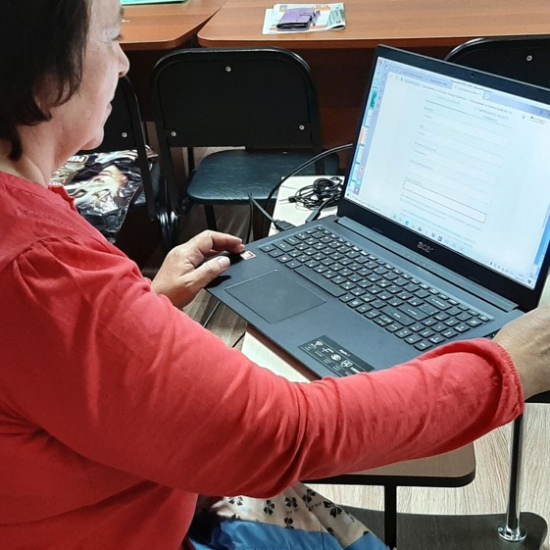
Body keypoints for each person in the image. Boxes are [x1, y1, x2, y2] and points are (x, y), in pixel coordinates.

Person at [1, 1, 550, 548]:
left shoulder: (26, 231)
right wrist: (509, 368)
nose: (124, 64)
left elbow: (49, 366)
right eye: (112, 37)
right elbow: (278, 435)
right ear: (41, 66)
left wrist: (143, 308)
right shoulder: (40, 265)